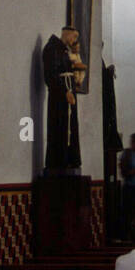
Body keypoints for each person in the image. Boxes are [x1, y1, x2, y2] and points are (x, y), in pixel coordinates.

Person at [41, 25, 85, 172]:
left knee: (70, 126)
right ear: (66, 34)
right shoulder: (52, 48)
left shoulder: (65, 51)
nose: (74, 40)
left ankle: (70, 159)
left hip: (69, 91)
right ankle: (59, 160)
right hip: (60, 96)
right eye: (74, 37)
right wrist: (65, 91)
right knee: (60, 127)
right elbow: (51, 75)